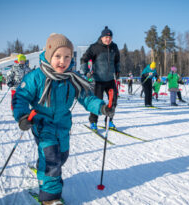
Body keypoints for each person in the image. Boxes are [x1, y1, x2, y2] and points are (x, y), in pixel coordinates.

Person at [12, 33, 114, 204]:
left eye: (67, 57)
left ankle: (43, 168)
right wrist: (22, 116)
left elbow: (87, 97)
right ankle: (50, 198)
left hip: (63, 126)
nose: (62, 61)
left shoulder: (71, 78)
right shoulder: (36, 77)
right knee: (52, 159)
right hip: (43, 125)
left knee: (62, 157)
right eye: (58, 56)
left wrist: (102, 107)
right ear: (49, 55)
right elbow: (20, 97)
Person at [80, 26, 120, 130]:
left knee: (114, 100)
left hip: (110, 80)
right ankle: (93, 122)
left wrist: (118, 71)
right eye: (106, 37)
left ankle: (109, 121)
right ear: (101, 37)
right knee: (97, 102)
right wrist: (86, 71)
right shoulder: (94, 47)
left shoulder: (114, 47)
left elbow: (117, 61)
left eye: (110, 37)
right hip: (98, 81)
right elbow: (84, 59)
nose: (108, 39)